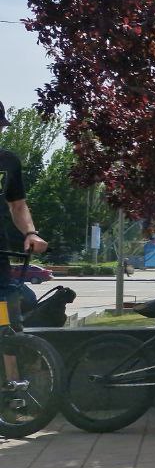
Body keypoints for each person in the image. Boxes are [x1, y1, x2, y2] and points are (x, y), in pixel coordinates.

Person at [0, 101, 49, 384]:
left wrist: (31, 233)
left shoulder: (8, 162)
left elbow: (17, 205)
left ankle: (14, 389)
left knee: (8, 321)